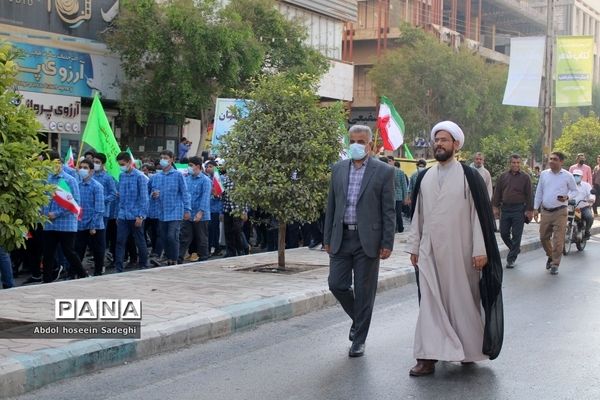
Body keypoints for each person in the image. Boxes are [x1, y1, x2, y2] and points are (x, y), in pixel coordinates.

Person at [408, 121, 503, 376]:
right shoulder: (424, 177)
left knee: (463, 302)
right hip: (430, 251)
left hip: (462, 251)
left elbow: (478, 217)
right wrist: (414, 246)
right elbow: (418, 214)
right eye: (436, 140)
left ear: (456, 145)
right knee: (429, 301)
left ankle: (467, 349)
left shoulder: (469, 177)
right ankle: (427, 357)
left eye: (444, 140)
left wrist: (480, 250)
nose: (439, 144)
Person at [323, 124, 396, 358]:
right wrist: (327, 238)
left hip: (369, 241)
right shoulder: (338, 169)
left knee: (365, 291)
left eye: (361, 142)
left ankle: (359, 340)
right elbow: (331, 207)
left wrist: (387, 242)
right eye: (353, 141)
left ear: (371, 145)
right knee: (336, 284)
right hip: (341, 237)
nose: (356, 145)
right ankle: (359, 318)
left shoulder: (384, 171)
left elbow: (388, 211)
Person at [41, 150, 89, 282]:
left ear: (59, 163)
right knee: (48, 253)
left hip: (66, 223)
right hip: (49, 223)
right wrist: (42, 214)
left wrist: (56, 214)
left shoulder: (69, 180)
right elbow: (42, 200)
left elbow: (75, 203)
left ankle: (83, 275)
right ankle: (46, 280)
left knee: (69, 252)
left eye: (52, 163)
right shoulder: (46, 179)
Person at [533, 151, 578, 275]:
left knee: (558, 240)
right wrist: (535, 208)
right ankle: (551, 255)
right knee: (543, 237)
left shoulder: (568, 176)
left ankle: (555, 264)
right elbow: (539, 192)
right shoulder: (544, 174)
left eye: (555, 159)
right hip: (545, 211)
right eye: (551, 159)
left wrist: (567, 197)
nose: (551, 161)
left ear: (561, 162)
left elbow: (575, 191)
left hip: (560, 212)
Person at [492, 154, 533, 268]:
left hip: (519, 209)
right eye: (513, 162)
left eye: (518, 163)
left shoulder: (525, 177)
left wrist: (530, 210)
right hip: (505, 209)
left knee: (516, 235)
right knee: (503, 233)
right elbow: (497, 193)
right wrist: (495, 207)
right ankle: (515, 249)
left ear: (520, 164)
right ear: (510, 163)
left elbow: (529, 194)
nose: (515, 165)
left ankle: (511, 259)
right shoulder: (503, 176)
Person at [150, 150, 191, 265]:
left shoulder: (178, 175)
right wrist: (153, 195)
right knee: (163, 236)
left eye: (166, 158)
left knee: (172, 236)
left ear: (172, 160)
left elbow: (185, 193)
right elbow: (150, 192)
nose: (163, 160)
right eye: (162, 157)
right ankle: (168, 258)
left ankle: (174, 259)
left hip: (175, 210)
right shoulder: (156, 176)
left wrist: (187, 209)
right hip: (162, 211)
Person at [115, 151, 149, 272]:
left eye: (123, 164)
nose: (121, 166)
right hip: (123, 215)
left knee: (140, 241)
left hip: (136, 216)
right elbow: (121, 198)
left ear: (130, 162)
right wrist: (119, 215)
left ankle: (144, 264)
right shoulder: (121, 176)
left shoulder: (140, 176)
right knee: (120, 241)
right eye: (119, 164)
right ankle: (118, 267)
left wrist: (141, 216)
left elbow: (144, 198)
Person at [75, 159, 106, 276]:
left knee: (97, 252)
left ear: (91, 171)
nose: (82, 170)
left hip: (94, 226)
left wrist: (93, 226)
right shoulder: (76, 185)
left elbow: (99, 209)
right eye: (81, 167)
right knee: (78, 251)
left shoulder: (97, 187)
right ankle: (77, 273)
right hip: (80, 224)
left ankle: (98, 273)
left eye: (85, 168)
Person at [179, 156, 211, 263]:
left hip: (200, 214)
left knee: (201, 238)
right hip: (188, 213)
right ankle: (178, 258)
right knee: (184, 237)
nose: (189, 167)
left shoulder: (205, 180)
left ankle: (203, 258)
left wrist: (201, 212)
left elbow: (205, 198)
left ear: (197, 166)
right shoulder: (186, 179)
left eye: (191, 165)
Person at [571, 169, 595, 240]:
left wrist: (591, 199)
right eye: (574, 175)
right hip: (571, 208)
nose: (576, 177)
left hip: (583, 208)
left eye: (577, 176)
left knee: (589, 217)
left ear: (581, 177)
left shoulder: (586, 185)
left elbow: (591, 194)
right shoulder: (569, 185)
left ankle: (587, 231)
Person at [393, 161, 409, 232]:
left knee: (397, 213)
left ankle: (399, 228)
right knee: (397, 213)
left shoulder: (400, 172)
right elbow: (404, 186)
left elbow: (404, 185)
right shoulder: (400, 172)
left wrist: (405, 197)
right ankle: (399, 228)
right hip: (396, 196)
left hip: (397, 196)